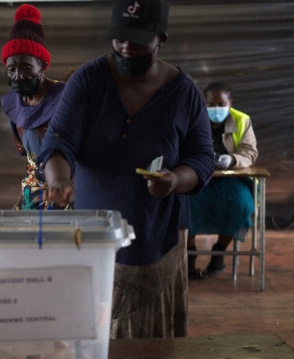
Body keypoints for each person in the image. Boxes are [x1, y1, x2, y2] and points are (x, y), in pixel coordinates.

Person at [38, 0, 214, 338]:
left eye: (137, 41)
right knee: (97, 330)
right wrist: (59, 180)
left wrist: (174, 180)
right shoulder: (88, 80)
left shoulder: (184, 93)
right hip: (95, 237)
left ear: (161, 38)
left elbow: (202, 158)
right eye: (119, 39)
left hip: (158, 238)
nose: (125, 48)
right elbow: (59, 143)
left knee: (152, 336)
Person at [187, 82, 258, 279]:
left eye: (221, 103)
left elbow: (250, 153)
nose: (216, 109)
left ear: (230, 102)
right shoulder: (193, 118)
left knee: (241, 204)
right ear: (203, 102)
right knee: (187, 203)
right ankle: (189, 255)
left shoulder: (242, 120)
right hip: (199, 178)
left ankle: (219, 251)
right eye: (211, 103)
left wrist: (232, 159)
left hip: (231, 179)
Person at [0, 3, 67, 210]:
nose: (18, 76)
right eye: (11, 69)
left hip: (68, 189)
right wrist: (26, 194)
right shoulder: (13, 104)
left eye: (27, 67)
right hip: (36, 190)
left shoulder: (65, 98)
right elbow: (32, 164)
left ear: (42, 67)